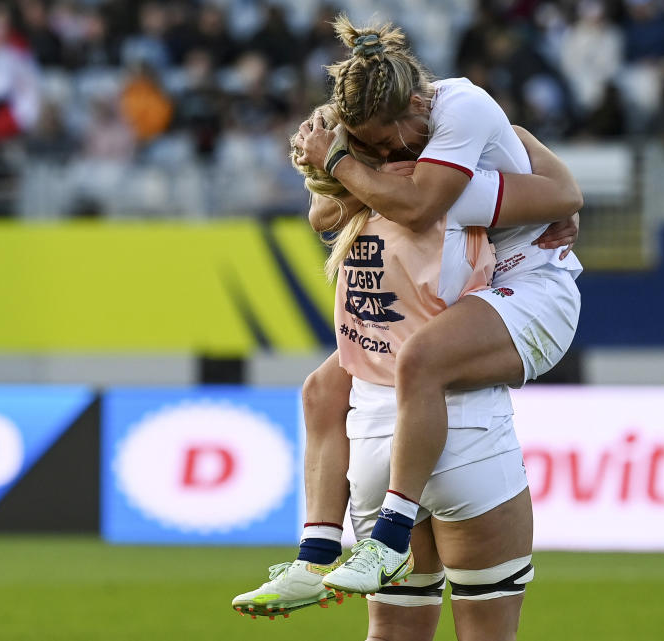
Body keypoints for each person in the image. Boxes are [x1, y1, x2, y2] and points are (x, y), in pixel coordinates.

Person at [233, 14, 581, 622]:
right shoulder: (393, 152)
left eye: (390, 138)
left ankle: (389, 536)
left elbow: (429, 206)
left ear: (418, 104)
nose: (389, 149)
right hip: (473, 282)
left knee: (423, 361)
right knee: (323, 388)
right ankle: (315, 553)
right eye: (370, 142)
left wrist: (342, 164)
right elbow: (324, 217)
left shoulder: (452, 133)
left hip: (530, 282)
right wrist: (344, 163)